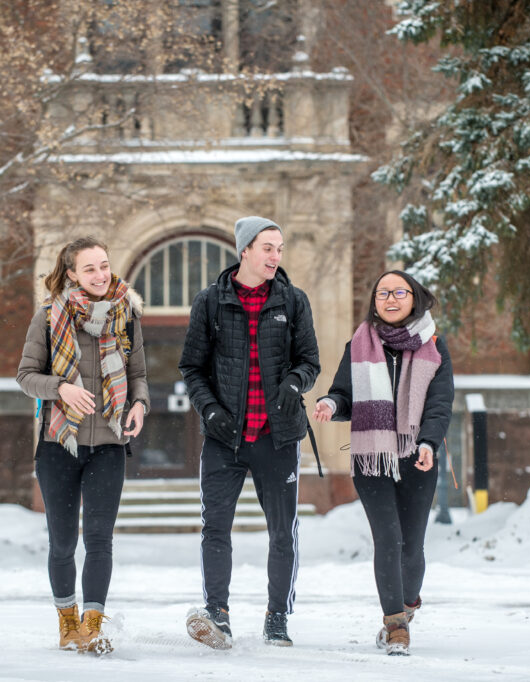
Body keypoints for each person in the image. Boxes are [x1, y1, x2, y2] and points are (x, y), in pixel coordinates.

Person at [179, 216, 320, 649]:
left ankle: (277, 617)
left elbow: (310, 361)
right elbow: (191, 367)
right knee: (215, 527)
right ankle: (217, 614)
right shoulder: (210, 302)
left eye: (280, 248)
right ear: (245, 251)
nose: (276, 256)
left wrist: (296, 382)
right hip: (225, 439)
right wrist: (210, 410)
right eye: (268, 248)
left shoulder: (293, 301)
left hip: (278, 438)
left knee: (282, 531)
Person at [16, 236, 149, 655]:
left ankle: (93, 624)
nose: (100, 274)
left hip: (109, 443)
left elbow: (140, 373)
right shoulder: (48, 317)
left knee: (99, 539)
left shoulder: (127, 314)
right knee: (62, 542)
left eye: (104, 266)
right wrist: (61, 389)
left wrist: (141, 404)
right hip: (58, 444)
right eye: (89, 268)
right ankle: (67, 621)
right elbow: (25, 376)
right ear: (71, 273)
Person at [312, 270, 453, 656]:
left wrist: (427, 442)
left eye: (398, 292)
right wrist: (330, 403)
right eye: (382, 293)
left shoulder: (434, 346)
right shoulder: (359, 345)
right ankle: (395, 627)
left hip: (416, 458)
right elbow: (344, 392)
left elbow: (440, 404)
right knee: (388, 540)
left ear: (414, 298)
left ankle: (406, 607)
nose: (390, 299)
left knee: (412, 546)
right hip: (372, 459)